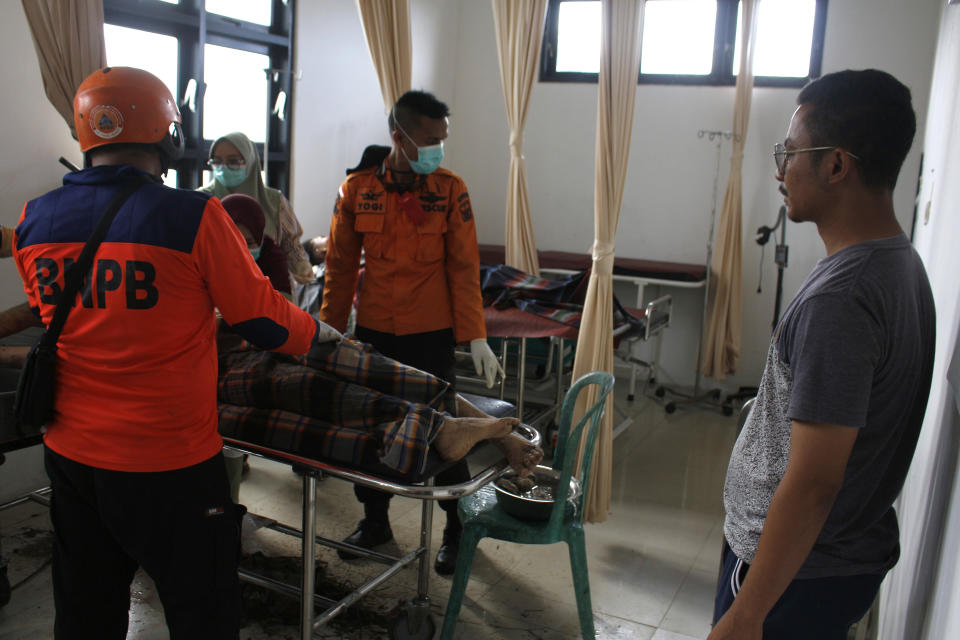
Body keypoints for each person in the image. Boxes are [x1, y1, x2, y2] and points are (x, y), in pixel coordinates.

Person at [12, 66, 330, 639]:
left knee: (85, 611)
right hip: (168, 462)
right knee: (201, 610)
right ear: (166, 134)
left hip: (71, 454)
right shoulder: (191, 215)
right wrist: (317, 334)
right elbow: (261, 318)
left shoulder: (34, 220)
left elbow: (54, 316)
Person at [709, 69, 935, 640]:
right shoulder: (898, 263)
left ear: (837, 165)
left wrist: (748, 614)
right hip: (829, 563)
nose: (780, 169)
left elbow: (813, 483)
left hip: (789, 576)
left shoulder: (844, 297)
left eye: (789, 151)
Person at [320, 90, 502, 575]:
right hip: (375, 333)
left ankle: (457, 529)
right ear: (397, 137)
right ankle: (375, 521)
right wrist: (327, 335)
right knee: (372, 429)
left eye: (443, 140)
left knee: (445, 431)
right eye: (429, 140)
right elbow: (338, 269)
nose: (438, 149)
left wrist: (476, 335)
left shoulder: (449, 189)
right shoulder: (357, 191)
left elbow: (466, 268)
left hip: (431, 333)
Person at [199, 131, 314, 286]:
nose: (223, 168)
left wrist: (302, 271)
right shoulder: (201, 200)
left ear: (250, 162)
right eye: (217, 161)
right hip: (213, 295)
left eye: (233, 161)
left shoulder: (273, 202)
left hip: (269, 293)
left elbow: (291, 246)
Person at [221, 193, 293, 300]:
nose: (242, 250)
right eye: (234, 242)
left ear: (260, 239)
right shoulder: (206, 256)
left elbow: (284, 303)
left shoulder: (272, 257)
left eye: (249, 243)